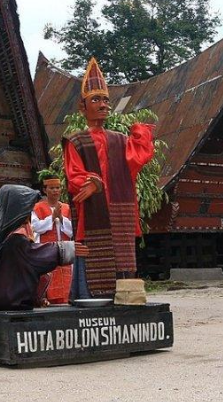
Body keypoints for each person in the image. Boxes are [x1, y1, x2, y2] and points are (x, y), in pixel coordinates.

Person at [63, 57, 154, 298]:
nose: (103, 104)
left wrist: (140, 133)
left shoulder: (120, 139)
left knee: (123, 261)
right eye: (96, 100)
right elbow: (74, 176)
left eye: (105, 100)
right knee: (94, 261)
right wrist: (91, 182)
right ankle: (91, 301)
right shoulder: (75, 140)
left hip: (119, 210)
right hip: (93, 211)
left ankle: (126, 301)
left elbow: (137, 160)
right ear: (82, 107)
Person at [0, 185, 81, 312]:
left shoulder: (5, 236)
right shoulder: (15, 240)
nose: (29, 213)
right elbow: (35, 255)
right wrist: (70, 249)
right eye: (27, 209)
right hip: (11, 308)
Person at [31, 170, 73, 304]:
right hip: (47, 248)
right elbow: (35, 227)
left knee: (66, 276)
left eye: (58, 187)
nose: (55, 190)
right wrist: (52, 218)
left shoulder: (66, 208)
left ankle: (66, 301)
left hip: (65, 249)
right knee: (49, 274)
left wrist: (61, 218)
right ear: (45, 190)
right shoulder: (37, 207)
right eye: (52, 188)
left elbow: (73, 230)